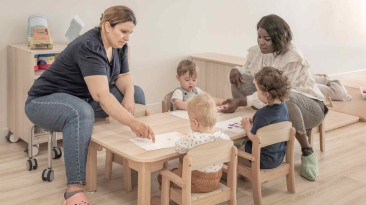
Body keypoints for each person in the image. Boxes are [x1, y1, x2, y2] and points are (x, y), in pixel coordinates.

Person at [24, 6, 155, 205]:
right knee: (80, 112)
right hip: (44, 101)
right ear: (107, 26)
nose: (127, 37)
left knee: (137, 92)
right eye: (123, 31)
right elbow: (101, 94)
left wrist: (128, 95)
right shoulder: (90, 46)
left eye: (130, 32)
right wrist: (133, 123)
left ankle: (133, 160)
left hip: (82, 98)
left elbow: (124, 76)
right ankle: (73, 189)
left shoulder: (119, 47)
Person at [222, 14, 328, 181]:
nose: (261, 42)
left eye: (266, 38)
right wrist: (236, 70)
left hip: (309, 106)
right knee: (239, 81)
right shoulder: (258, 51)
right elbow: (250, 73)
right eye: (259, 37)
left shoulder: (293, 57)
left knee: (286, 99)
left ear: (278, 39)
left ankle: (307, 149)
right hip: (273, 102)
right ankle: (256, 127)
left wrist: (241, 101)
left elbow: (279, 93)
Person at [151, 93, 229, 205]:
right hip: (215, 181)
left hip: (195, 182)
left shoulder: (193, 138)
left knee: (163, 175)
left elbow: (178, 147)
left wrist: (186, 137)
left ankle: (163, 201)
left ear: (195, 123)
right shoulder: (224, 138)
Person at [238, 67, 290, 170]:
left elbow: (254, 138)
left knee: (236, 150)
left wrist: (247, 127)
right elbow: (272, 119)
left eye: (258, 91)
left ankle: (251, 172)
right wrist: (254, 117)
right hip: (277, 157)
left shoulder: (262, 114)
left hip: (261, 159)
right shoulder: (284, 108)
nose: (256, 94)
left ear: (266, 94)